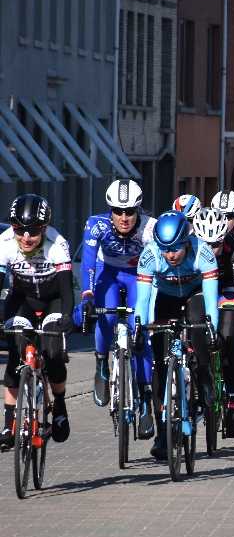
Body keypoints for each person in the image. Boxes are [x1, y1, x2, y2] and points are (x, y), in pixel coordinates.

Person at [134, 211, 219, 460]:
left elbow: (211, 299)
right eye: (165, 249)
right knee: (160, 364)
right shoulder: (149, 254)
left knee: (198, 322)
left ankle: (204, 378)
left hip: (195, 295)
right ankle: (163, 433)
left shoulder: (201, 251)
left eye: (176, 249)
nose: (171, 255)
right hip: (166, 299)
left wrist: (211, 328)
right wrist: (140, 328)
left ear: (186, 241)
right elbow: (143, 299)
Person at [79, 178, 153, 438]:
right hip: (108, 273)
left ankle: (145, 399)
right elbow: (88, 263)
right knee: (106, 315)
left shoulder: (149, 228)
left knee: (140, 331)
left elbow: (157, 267)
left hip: (138, 276)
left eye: (130, 211)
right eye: (118, 211)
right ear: (110, 210)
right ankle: (101, 364)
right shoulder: (95, 225)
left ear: (138, 211)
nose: (124, 217)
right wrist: (87, 295)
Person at [0, 195, 74, 449]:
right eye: (20, 229)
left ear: (44, 228)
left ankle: (60, 406)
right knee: (15, 348)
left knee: (52, 354)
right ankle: (9, 422)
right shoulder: (5, 243)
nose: (26, 237)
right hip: (23, 300)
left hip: (53, 300)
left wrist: (67, 316)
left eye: (33, 231)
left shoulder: (57, 244)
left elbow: (66, 290)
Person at [192, 207, 234, 437]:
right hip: (197, 289)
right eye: (205, 244)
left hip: (224, 290)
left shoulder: (233, 246)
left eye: (216, 244)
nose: (211, 250)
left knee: (229, 337)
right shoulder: (188, 247)